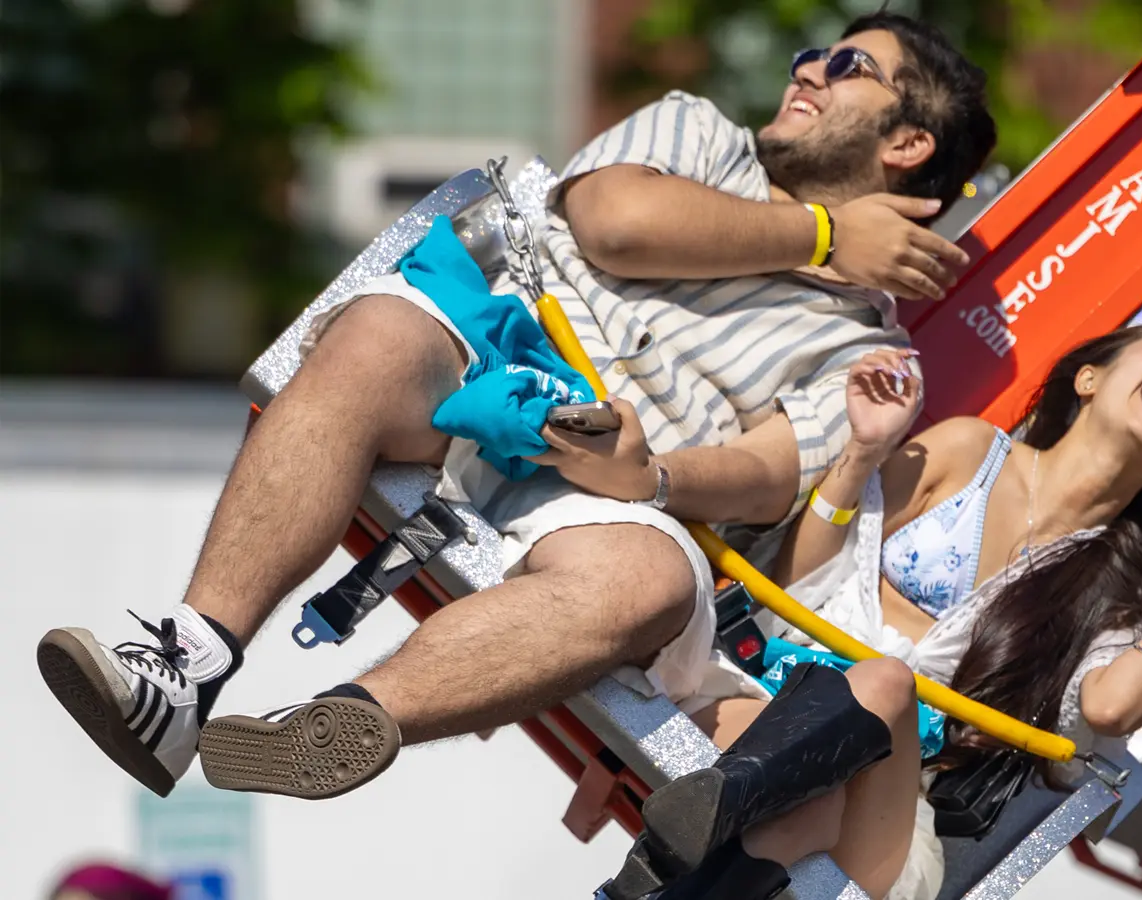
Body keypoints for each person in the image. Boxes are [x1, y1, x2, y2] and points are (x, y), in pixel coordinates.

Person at [36, 11, 995, 802]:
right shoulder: (699, 133)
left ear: (908, 141)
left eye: (848, 65)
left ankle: (338, 726)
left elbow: (769, 474)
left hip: (611, 488)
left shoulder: (870, 354)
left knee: (649, 588)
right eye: (810, 53)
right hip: (494, 357)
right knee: (375, 334)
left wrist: (652, 477)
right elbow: (615, 224)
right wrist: (824, 232)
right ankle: (185, 670)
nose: (809, 70)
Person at [613, 325, 1142, 900]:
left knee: (885, 685)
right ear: (1088, 378)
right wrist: (862, 453)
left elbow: (1107, 712)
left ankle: (677, 847)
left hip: (891, 814)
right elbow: (791, 585)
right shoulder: (968, 451)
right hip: (774, 707)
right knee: (804, 804)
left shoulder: (1126, 597)